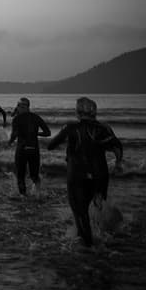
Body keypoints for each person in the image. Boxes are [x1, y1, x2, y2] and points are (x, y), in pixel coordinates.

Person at [48, 97, 123, 247]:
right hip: (100, 176)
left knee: (80, 213)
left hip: (78, 175)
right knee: (96, 207)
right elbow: (117, 148)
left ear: (78, 112)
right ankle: (103, 235)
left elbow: (51, 145)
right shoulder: (105, 128)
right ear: (94, 112)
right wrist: (118, 163)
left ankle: (89, 248)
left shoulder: (71, 127)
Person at [8, 97, 51, 196]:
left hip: (22, 149)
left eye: (19, 105)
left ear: (24, 107)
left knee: (20, 176)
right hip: (34, 149)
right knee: (34, 176)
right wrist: (36, 134)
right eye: (18, 105)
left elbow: (14, 134)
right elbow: (48, 132)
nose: (18, 107)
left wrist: (10, 142)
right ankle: (38, 194)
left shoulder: (17, 119)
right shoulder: (36, 117)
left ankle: (23, 197)